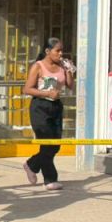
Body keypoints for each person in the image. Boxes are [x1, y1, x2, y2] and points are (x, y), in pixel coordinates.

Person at [23, 37, 75, 191]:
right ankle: (50, 179)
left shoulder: (62, 67)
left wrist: (69, 70)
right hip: (40, 107)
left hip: (56, 107)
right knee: (47, 143)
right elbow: (27, 89)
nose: (61, 53)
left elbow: (70, 85)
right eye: (57, 50)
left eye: (62, 50)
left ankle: (31, 164)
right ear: (47, 51)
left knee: (55, 145)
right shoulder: (38, 67)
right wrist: (46, 93)